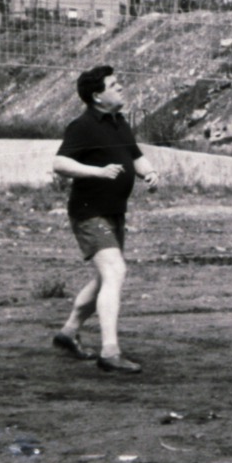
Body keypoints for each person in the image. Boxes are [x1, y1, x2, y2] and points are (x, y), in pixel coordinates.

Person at [51, 65, 158, 374]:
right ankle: (109, 350)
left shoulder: (119, 122)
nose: (121, 87)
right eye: (114, 84)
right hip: (89, 213)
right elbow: (59, 162)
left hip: (114, 213)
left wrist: (149, 172)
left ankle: (68, 332)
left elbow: (135, 156)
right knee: (114, 271)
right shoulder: (82, 126)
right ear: (98, 96)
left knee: (104, 279)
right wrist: (97, 172)